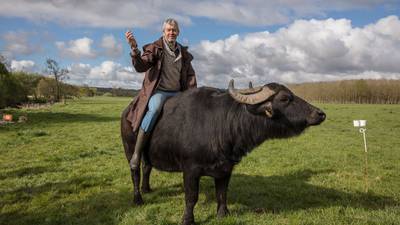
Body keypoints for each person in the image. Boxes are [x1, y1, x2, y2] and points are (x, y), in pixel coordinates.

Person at [125, 18, 197, 170]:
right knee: (155, 109)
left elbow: (190, 76)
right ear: (163, 32)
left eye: (174, 30)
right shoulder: (155, 48)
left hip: (178, 93)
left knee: (192, 115)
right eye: (168, 30)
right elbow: (141, 66)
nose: (171, 32)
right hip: (160, 92)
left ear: (178, 32)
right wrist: (134, 50)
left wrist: (192, 95)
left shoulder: (183, 53)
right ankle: (137, 154)